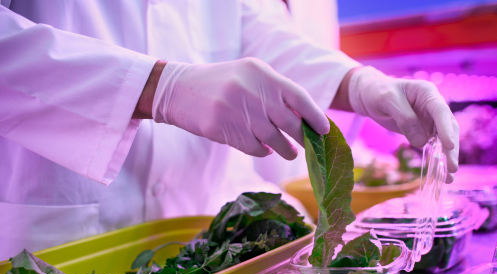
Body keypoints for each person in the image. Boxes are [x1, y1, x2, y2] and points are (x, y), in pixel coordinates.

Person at [0, 0, 459, 260]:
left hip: (202, 251)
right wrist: (156, 87)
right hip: (58, 245)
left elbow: (246, 21)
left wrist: (358, 84)